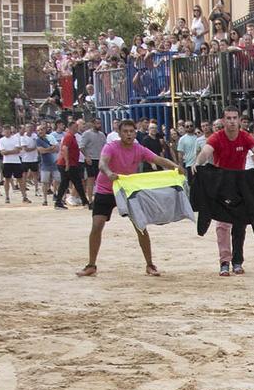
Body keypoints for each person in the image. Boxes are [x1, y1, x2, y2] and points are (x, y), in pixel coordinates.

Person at [76, 119, 181, 278]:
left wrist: (176, 167)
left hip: (127, 191)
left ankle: (150, 264)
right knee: (97, 226)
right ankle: (91, 265)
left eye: (131, 131)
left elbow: (158, 160)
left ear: (135, 133)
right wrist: (109, 173)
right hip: (106, 190)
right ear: (119, 133)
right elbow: (102, 164)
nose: (129, 134)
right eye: (125, 131)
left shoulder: (139, 149)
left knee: (140, 226)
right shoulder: (110, 146)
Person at [193, 106, 254, 276]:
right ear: (223, 121)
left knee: (240, 225)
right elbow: (206, 152)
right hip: (221, 183)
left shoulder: (245, 136)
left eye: (234, 118)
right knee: (222, 224)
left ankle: (237, 261)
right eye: (228, 118)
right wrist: (197, 163)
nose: (231, 121)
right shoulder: (217, 137)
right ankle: (224, 261)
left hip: (240, 184)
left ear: (238, 120)